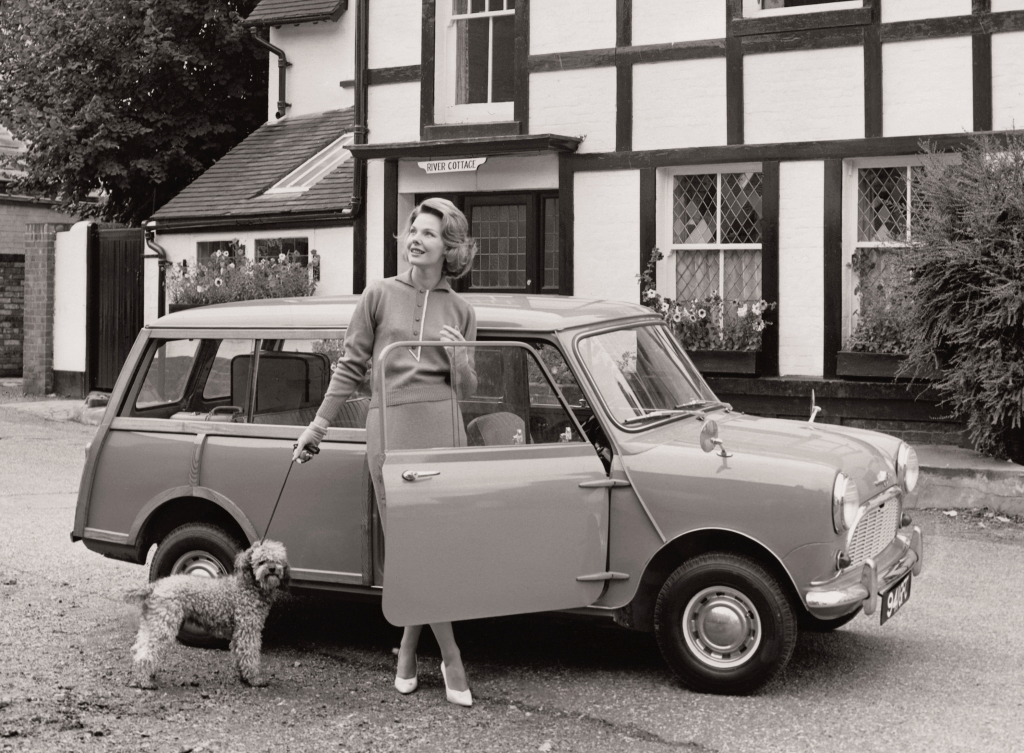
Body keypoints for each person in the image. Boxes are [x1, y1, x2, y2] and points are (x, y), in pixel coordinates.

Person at [293, 197, 478, 707]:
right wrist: (319, 425)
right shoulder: (377, 295)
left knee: (433, 546)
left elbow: (467, 382)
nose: (416, 239)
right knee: (407, 545)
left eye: (430, 233)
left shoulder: (462, 310)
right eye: (412, 229)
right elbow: (350, 366)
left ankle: (408, 649)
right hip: (390, 426)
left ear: (450, 248)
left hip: (442, 425)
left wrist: (454, 354)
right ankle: (453, 656)